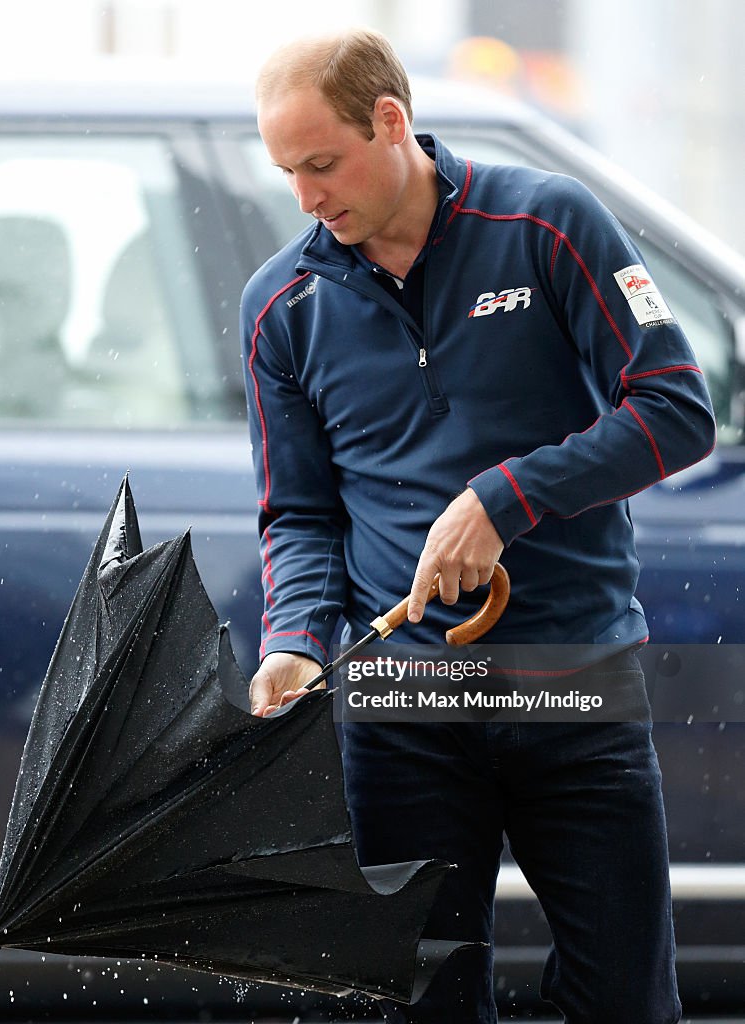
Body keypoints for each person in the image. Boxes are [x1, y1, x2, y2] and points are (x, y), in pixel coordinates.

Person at [240, 28, 715, 1024]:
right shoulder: (279, 306)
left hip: (570, 682)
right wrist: (291, 639)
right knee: (417, 1005)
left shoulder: (545, 223)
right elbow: (299, 512)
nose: (306, 197)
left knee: (625, 1001)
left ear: (389, 120)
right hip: (402, 701)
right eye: (286, 171)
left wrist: (503, 498)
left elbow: (674, 408)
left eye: (321, 163)